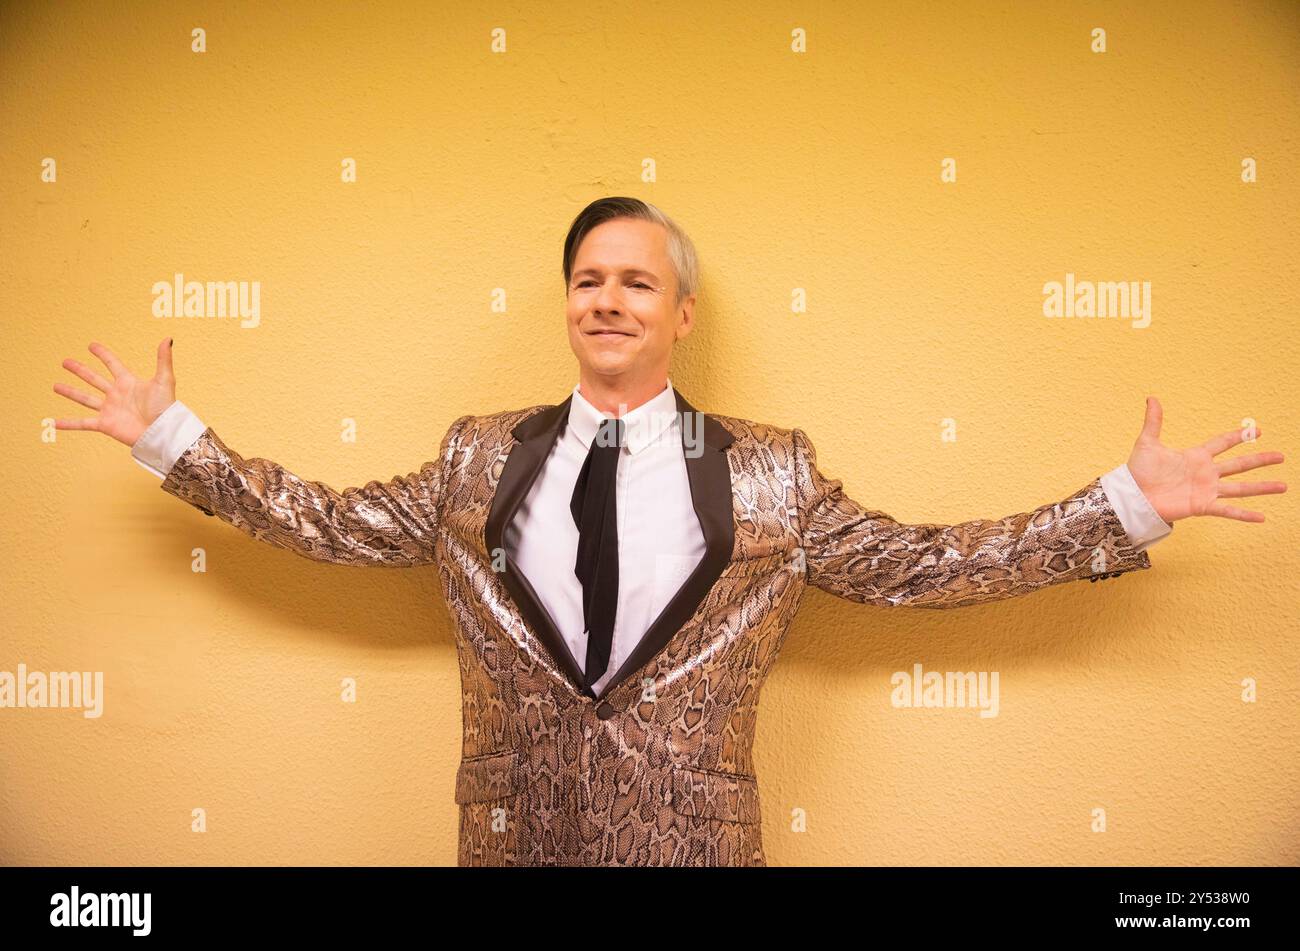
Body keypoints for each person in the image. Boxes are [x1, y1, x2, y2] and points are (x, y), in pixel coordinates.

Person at [52, 197, 1287, 865]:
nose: (607, 297)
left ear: (680, 312)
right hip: (508, 840)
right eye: (588, 278)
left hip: (695, 850)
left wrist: (1121, 504)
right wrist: (175, 439)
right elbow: (324, 521)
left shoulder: (769, 470)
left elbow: (923, 567)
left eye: (635, 280)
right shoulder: (479, 453)